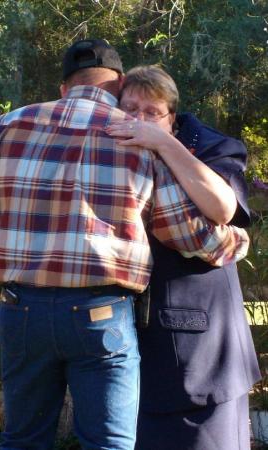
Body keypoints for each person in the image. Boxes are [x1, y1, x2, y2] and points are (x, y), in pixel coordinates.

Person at [0, 40, 249, 450]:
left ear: (64, 87)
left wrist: (2, 190)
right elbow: (190, 235)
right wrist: (236, 240)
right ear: (118, 84)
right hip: (100, 314)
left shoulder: (6, 126)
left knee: (22, 439)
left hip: (20, 310)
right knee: (107, 444)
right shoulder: (135, 137)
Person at [106, 65, 261, 450]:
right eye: (130, 109)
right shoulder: (107, 146)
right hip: (130, 341)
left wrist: (162, 144)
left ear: (171, 118)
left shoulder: (213, 146)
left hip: (203, 352)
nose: (138, 121)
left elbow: (220, 212)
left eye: (151, 112)